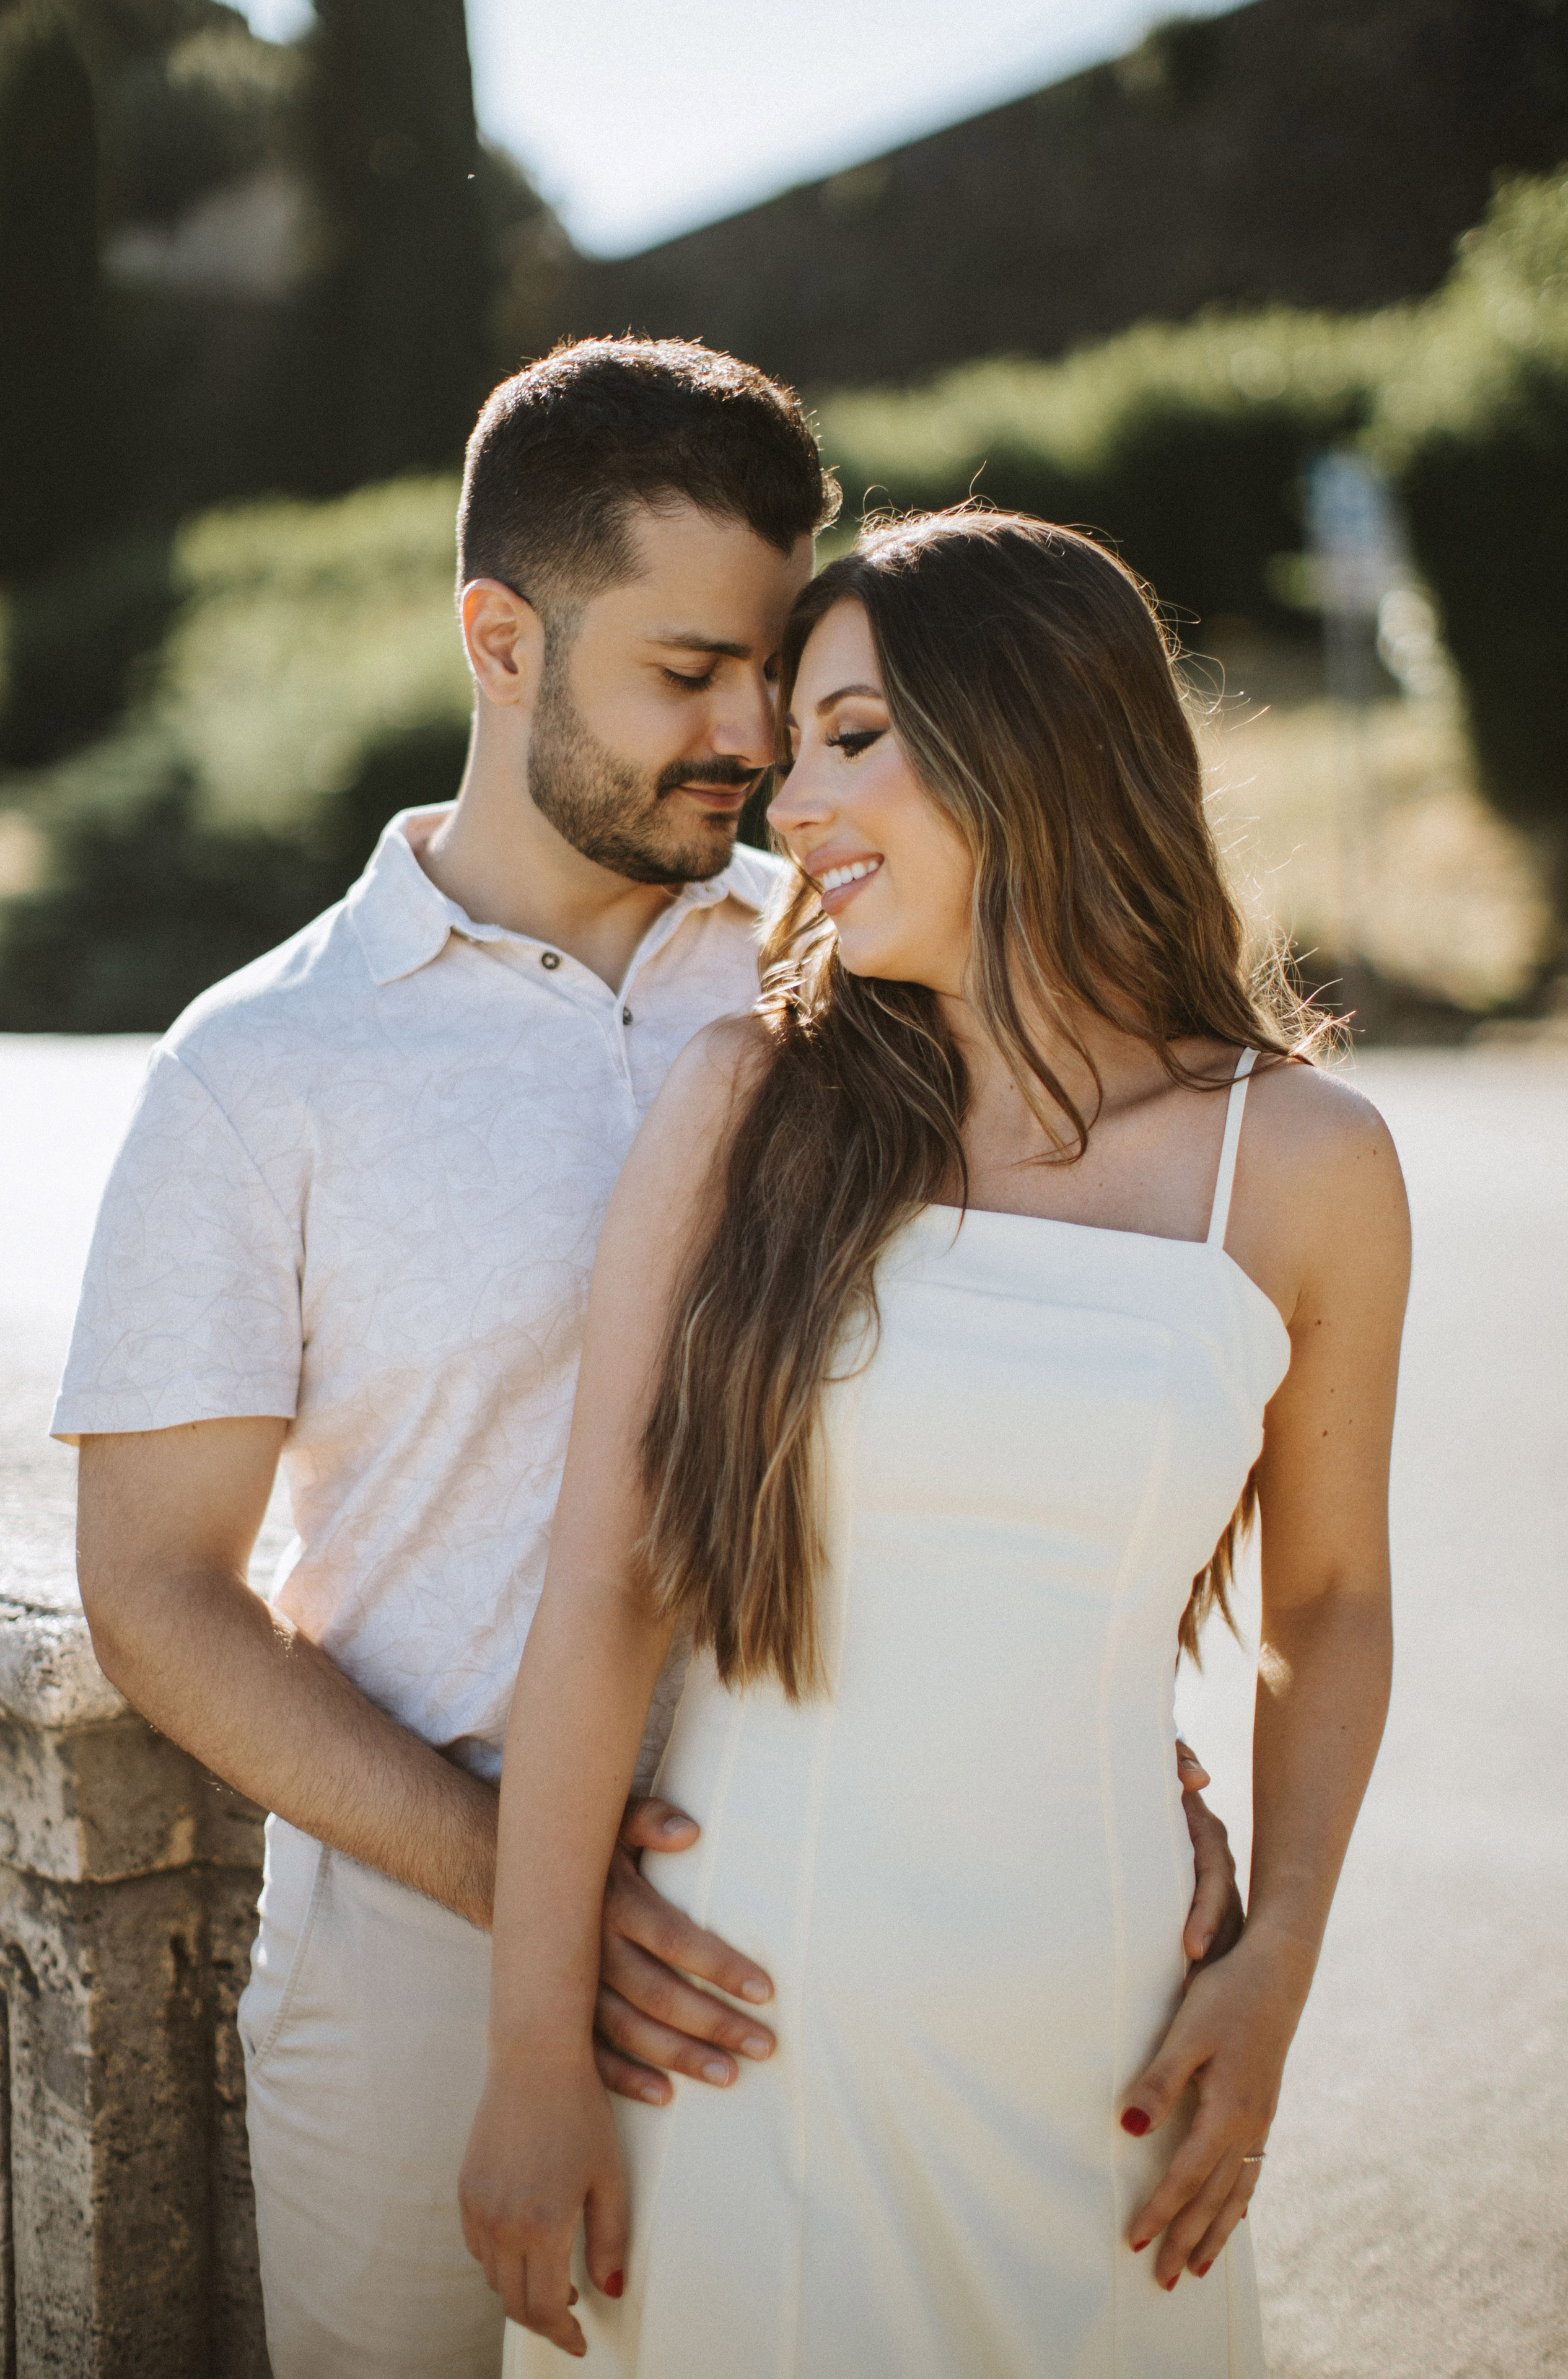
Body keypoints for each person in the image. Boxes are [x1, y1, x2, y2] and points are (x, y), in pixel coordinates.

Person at [55, 346, 1240, 2379]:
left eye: (775, 669)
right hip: (429, 1961)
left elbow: (1063, 1377)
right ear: (499, 640)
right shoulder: (264, 1069)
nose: (754, 734)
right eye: (687, 671)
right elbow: (154, 1592)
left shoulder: (874, 972)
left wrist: (1097, 1769)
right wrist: (545, 1904)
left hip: (854, 1920)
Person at [461, 509, 1409, 2377]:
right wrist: (530, 2058)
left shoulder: (1303, 1168)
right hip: (741, 2036)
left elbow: (1337, 1597)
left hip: (1107, 2043)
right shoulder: (752, 1104)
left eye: (853, 738)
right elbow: (603, 1593)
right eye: (797, 748)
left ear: (1037, 741)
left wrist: (1277, 1963)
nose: (790, 803)